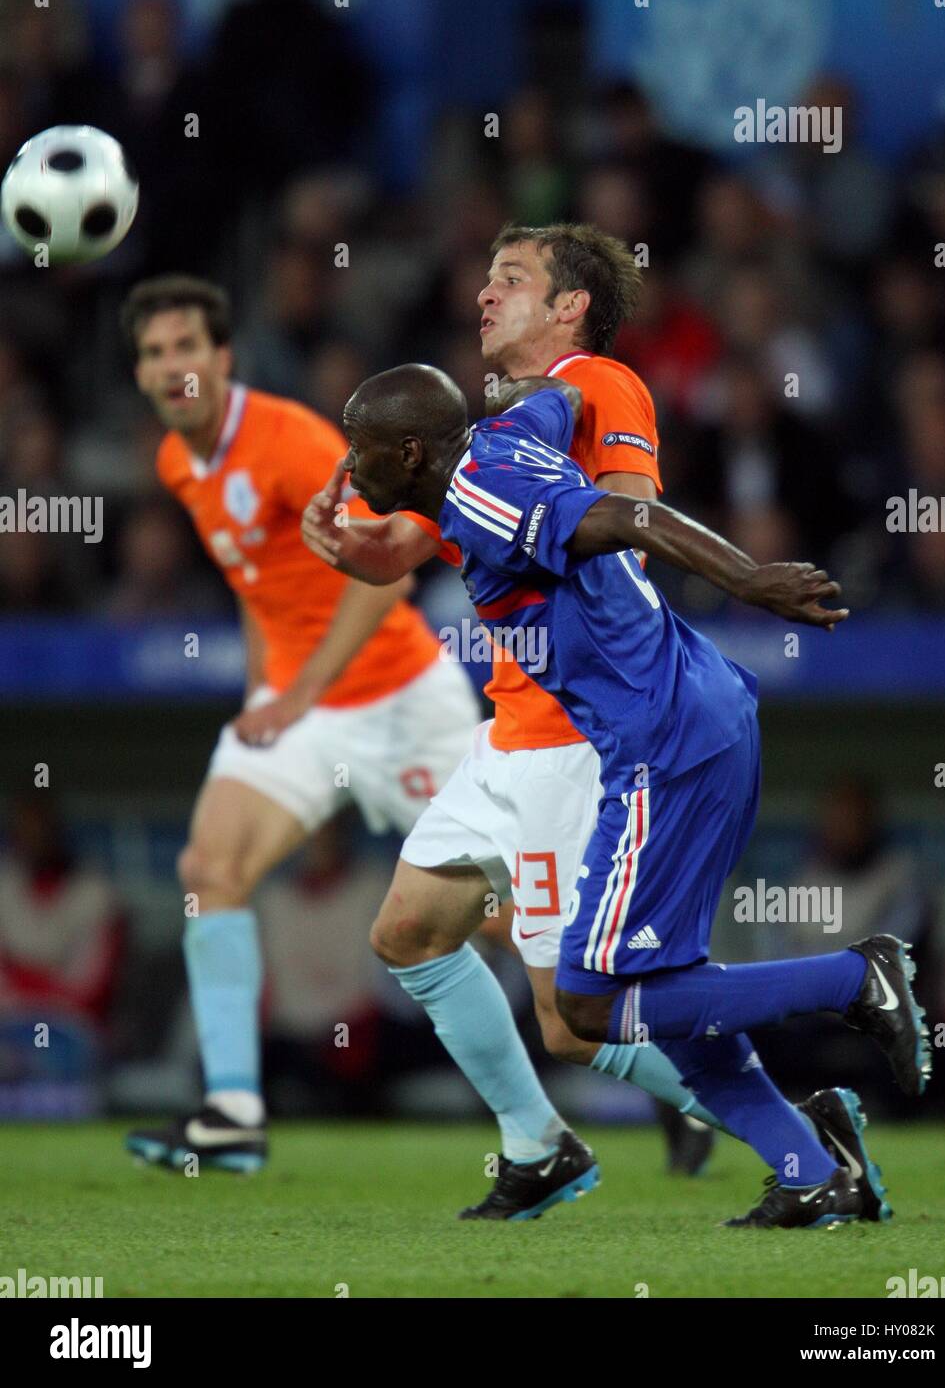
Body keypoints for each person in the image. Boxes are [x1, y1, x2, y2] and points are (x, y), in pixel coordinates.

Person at [303, 227, 891, 1222]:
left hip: (579, 745)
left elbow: (617, 529)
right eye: (483, 277)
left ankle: (796, 1130)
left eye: (511, 279)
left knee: (582, 1012)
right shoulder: (498, 421)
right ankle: (539, 1142)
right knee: (409, 934)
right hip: (510, 728)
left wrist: (738, 577)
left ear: (571, 305)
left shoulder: (602, 383)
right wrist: (356, 545)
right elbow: (436, 531)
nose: (484, 295)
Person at [118, 275, 480, 1172]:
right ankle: (234, 1111)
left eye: (186, 348)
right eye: (155, 353)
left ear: (223, 358)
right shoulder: (176, 461)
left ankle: (669, 1072)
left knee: (512, 920)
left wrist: (298, 693)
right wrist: (260, 695)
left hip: (400, 699)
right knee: (211, 866)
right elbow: (258, 587)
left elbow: (389, 577)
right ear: (141, 372)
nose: (173, 368)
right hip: (302, 707)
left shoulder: (288, 441)